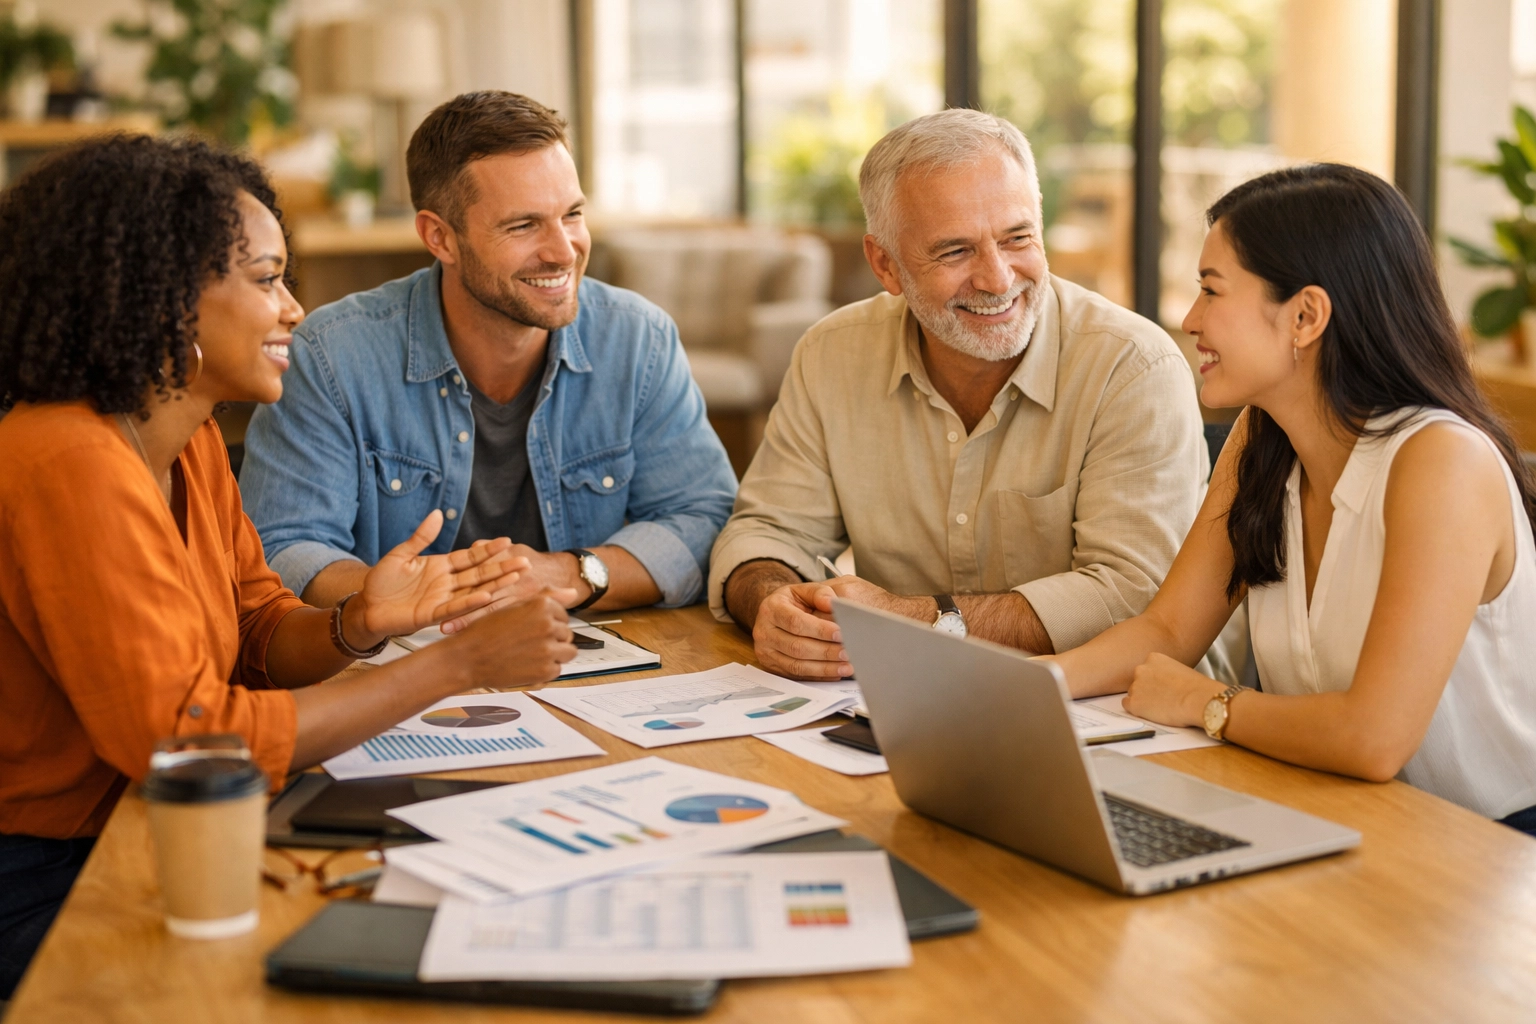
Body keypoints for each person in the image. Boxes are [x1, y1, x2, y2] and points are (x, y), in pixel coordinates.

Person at [0, 135, 579, 997]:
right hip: (50, 874)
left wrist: (360, 621)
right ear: (163, 297)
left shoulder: (189, 438)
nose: (295, 309)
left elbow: (257, 630)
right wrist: (455, 665)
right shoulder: (68, 461)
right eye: (268, 280)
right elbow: (185, 742)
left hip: (166, 832)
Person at [1050, 163, 1536, 834]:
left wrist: (1206, 703)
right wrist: (1030, 686)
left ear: (1305, 315)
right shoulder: (1262, 437)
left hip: (1487, 850)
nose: (1190, 319)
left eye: (1211, 290)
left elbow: (1373, 738)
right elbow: (1168, 632)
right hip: (1333, 815)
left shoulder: (1441, 461)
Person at [711, 108, 1216, 680]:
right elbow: (765, 532)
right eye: (955, 251)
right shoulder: (832, 354)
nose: (997, 279)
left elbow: (1135, 595)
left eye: (1017, 237)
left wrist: (917, 619)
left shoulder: (1133, 366)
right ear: (885, 265)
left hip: (1125, 707)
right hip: (907, 697)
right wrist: (774, 603)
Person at [239, 91, 737, 619]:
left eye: (572, 214)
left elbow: (705, 518)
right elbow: (281, 548)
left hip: (592, 657)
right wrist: (426, 598)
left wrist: (570, 574)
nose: (564, 251)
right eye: (523, 225)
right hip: (403, 659)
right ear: (440, 237)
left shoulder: (638, 340)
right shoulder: (332, 356)